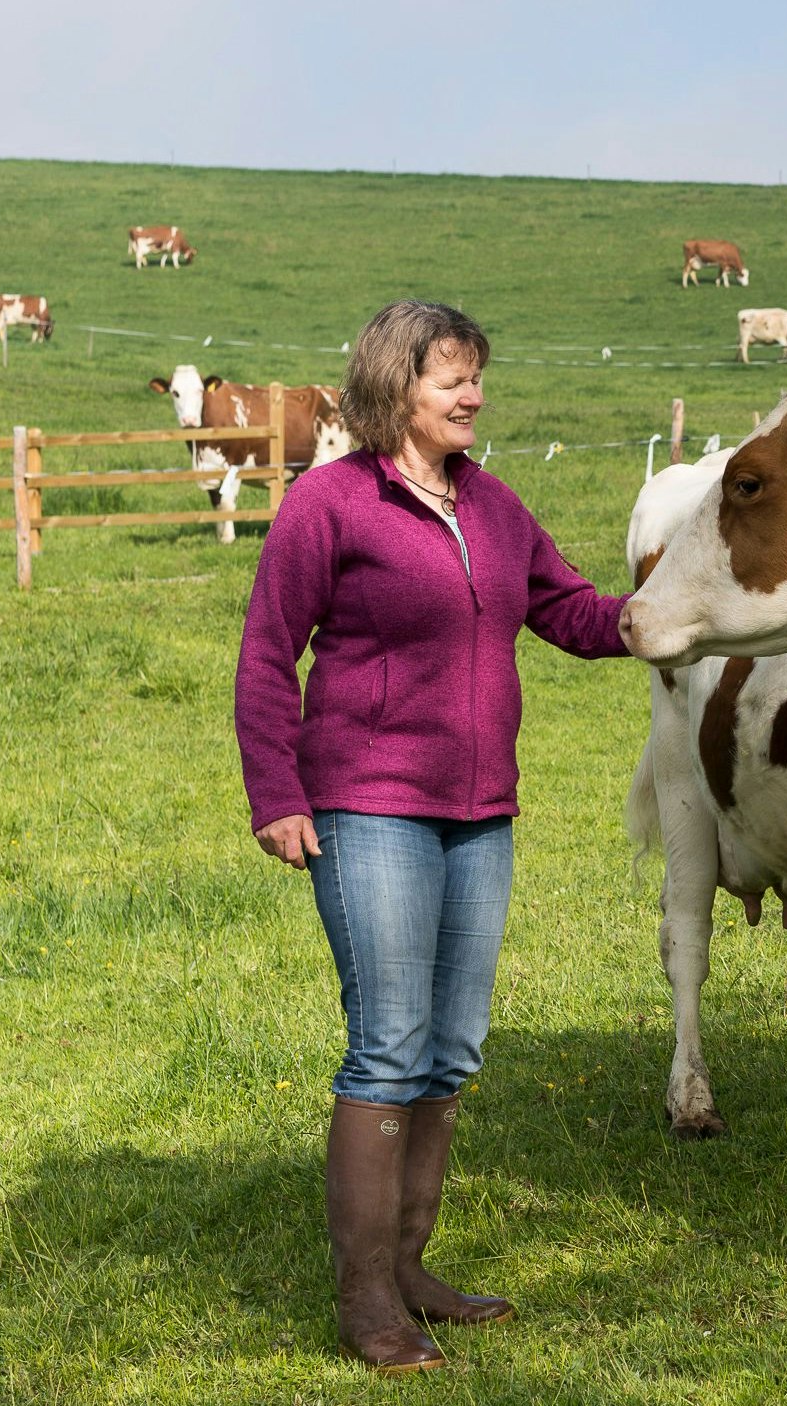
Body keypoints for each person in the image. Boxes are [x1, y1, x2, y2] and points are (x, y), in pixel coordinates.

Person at [233, 300, 631, 1373]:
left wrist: (674, 605)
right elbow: (269, 653)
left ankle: (410, 1267)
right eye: (454, 379)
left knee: (451, 1049)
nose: (475, 396)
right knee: (390, 1041)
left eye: (476, 378)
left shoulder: (495, 506)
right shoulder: (329, 503)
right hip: (367, 807)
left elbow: (576, 614)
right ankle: (364, 1299)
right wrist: (277, 790)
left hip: (479, 814)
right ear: (394, 386)